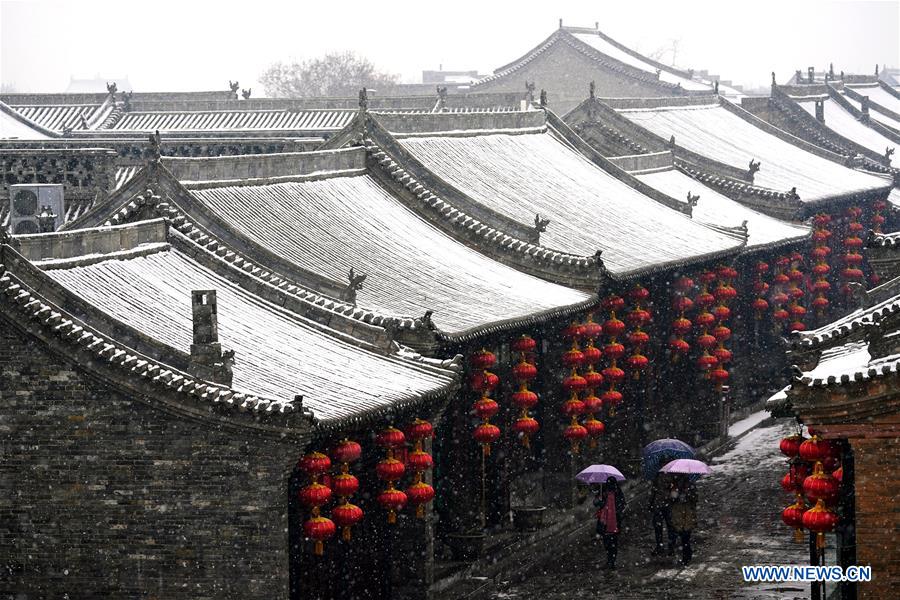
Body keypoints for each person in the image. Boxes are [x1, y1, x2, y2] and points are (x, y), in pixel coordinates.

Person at [594, 476, 626, 569]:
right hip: (608, 522)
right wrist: (600, 501)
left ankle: (611, 561)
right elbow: (595, 502)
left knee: (611, 543)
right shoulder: (604, 492)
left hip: (611, 522)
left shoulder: (616, 492)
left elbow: (621, 505)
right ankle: (610, 560)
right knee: (609, 543)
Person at [669, 475, 698, 565]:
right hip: (678, 515)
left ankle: (686, 556)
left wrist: (687, 494)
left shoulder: (690, 485)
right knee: (683, 536)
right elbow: (671, 499)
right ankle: (686, 554)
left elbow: (695, 498)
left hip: (687, 514)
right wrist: (675, 495)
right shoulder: (674, 485)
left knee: (686, 536)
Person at [648, 472, 676, 556]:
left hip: (663, 504)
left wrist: (651, 503)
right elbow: (654, 490)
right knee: (663, 526)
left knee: (665, 526)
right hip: (662, 504)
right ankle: (665, 547)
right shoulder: (660, 475)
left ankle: (666, 547)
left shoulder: (669, 475)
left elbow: (653, 491)